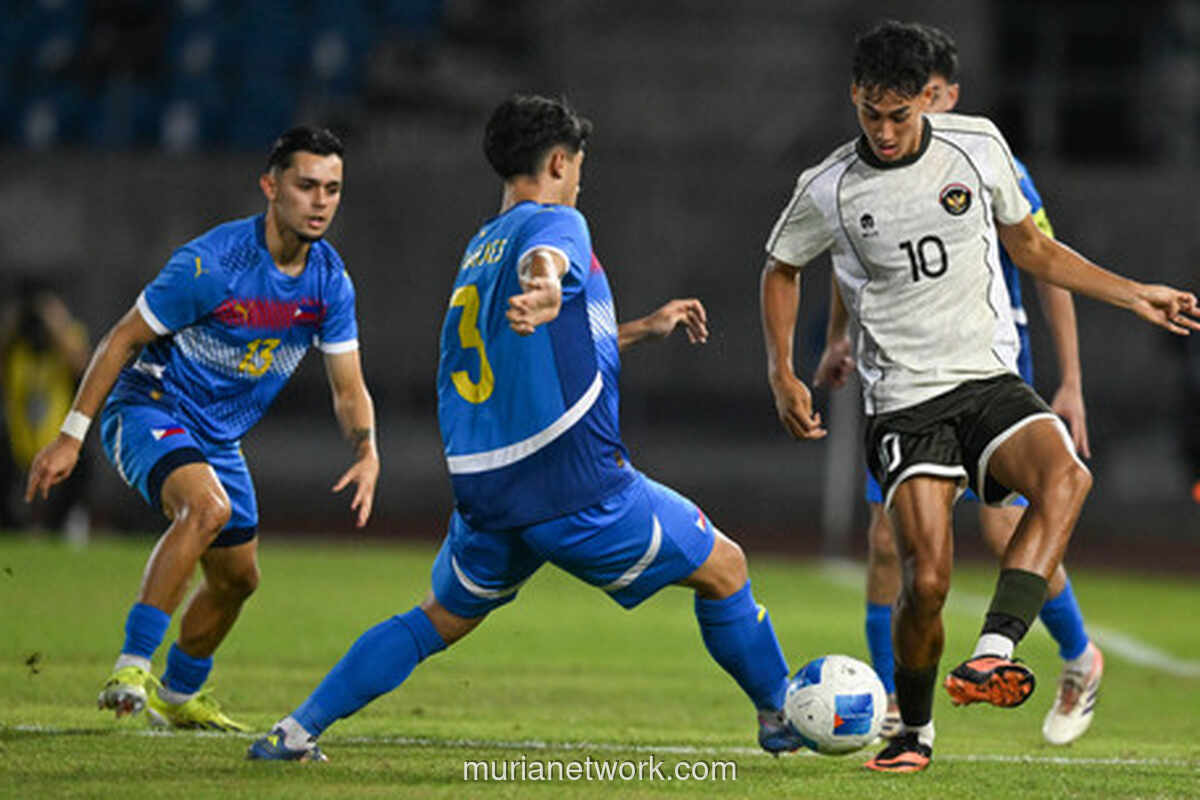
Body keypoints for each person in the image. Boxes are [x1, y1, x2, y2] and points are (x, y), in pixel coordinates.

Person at [247, 94, 799, 762]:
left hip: (490, 489)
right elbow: (550, 262)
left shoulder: (481, 247)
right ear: (560, 161)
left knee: (435, 621)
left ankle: (296, 731)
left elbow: (541, 342)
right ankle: (780, 718)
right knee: (726, 568)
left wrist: (641, 330)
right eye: (578, 166)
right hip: (573, 484)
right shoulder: (557, 223)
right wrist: (546, 285)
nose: (579, 179)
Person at [760, 21, 1198, 773]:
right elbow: (782, 267)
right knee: (923, 576)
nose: (888, 131)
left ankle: (995, 651)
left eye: (902, 114)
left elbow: (1034, 250)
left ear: (927, 101)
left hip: (989, 381)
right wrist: (782, 369)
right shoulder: (827, 187)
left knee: (1066, 475)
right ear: (855, 100)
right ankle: (913, 733)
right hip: (904, 402)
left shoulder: (980, 146)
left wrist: (1134, 296)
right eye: (873, 114)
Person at [24, 126, 379, 732]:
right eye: (306, 186)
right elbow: (119, 341)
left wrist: (367, 449)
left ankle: (179, 694)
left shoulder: (329, 284)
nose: (320, 201)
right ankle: (132, 666)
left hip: (217, 437)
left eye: (333, 189)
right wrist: (70, 434)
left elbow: (348, 388)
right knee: (206, 510)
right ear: (271, 186)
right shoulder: (211, 265)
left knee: (239, 580)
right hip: (150, 407)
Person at [811, 23, 1103, 748]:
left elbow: (1043, 260)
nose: (908, 119)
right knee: (891, 545)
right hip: (909, 377)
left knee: (1007, 525)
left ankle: (1078, 654)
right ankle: (889, 697)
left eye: (927, 99)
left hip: (991, 362)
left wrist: (1070, 382)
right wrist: (838, 338)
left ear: (947, 96)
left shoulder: (981, 155)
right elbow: (860, 259)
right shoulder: (868, 176)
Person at [1, 278, 92, 539]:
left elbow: (80, 362)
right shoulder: (16, 352)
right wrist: (13, 322)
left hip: (58, 444)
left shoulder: (63, 344)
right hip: (19, 447)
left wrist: (54, 319)